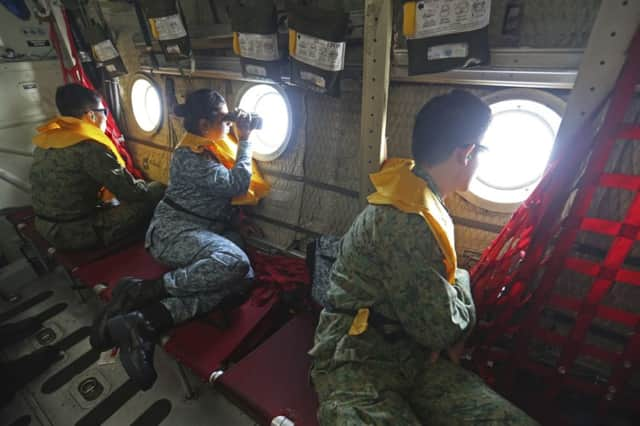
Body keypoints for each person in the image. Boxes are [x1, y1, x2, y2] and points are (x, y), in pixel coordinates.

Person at [309, 90, 538, 425]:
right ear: (467, 153)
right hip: (357, 357)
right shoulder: (408, 217)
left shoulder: (420, 194)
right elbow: (442, 329)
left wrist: (455, 291)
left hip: (412, 354)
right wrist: (463, 282)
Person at [91, 89, 269, 390]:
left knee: (242, 281)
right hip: (172, 233)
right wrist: (247, 136)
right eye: (225, 121)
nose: (230, 126)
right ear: (204, 125)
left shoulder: (207, 148)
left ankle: (147, 319)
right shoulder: (192, 157)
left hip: (200, 229)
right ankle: (145, 290)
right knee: (235, 262)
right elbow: (238, 183)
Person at [29, 83, 164, 250]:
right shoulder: (89, 146)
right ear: (91, 115)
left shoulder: (48, 140)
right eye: (104, 112)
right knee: (157, 190)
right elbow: (132, 192)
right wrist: (146, 185)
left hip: (45, 226)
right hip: (74, 233)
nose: (106, 118)